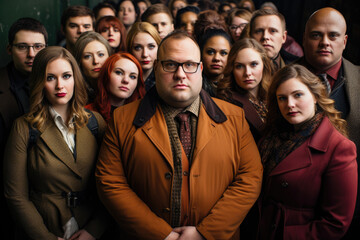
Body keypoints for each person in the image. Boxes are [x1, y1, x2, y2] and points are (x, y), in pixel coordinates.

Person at [95, 31, 263, 240]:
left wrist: (205, 232)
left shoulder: (235, 117)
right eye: (170, 64)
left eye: (189, 65)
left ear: (201, 69)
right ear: (156, 68)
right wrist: (162, 235)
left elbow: (250, 178)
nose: (180, 74)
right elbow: (110, 182)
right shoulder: (122, 120)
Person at [3, 46, 108, 240]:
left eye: (66, 76)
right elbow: (15, 195)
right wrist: (44, 237)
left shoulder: (95, 122)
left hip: (91, 228)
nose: (60, 85)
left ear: (75, 78)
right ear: (39, 83)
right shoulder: (24, 128)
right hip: (46, 227)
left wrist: (94, 230)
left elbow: (112, 183)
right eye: (50, 78)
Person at [258, 64, 357, 239]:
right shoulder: (271, 135)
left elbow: (335, 223)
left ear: (315, 96)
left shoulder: (339, 148)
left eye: (298, 95)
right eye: (282, 98)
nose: (290, 104)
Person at [298, 8, 360, 238]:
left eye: (333, 36)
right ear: (304, 39)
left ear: (344, 41)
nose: (325, 42)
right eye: (316, 35)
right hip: (297, 213)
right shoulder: (281, 78)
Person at [0, 17, 47, 240]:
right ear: (9, 49)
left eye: (38, 47)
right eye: (22, 47)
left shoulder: (59, 84)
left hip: (49, 192)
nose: (31, 54)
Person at [217, 38, 272, 142]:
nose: (247, 72)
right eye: (239, 66)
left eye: (254, 64)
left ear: (264, 65)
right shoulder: (226, 103)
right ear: (232, 69)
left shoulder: (273, 95)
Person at [86, 52, 146, 122]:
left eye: (132, 76)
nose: (126, 80)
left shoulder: (143, 114)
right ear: (106, 75)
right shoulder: (86, 114)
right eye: (119, 73)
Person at [73, 31, 113, 104]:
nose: (95, 61)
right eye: (87, 56)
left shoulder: (117, 87)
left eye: (101, 55)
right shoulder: (73, 93)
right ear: (79, 62)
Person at [126, 22, 161, 91]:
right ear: (130, 50)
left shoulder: (164, 80)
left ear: (159, 48)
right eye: (138, 48)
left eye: (151, 46)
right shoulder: (124, 79)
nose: (145, 54)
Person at [199, 28, 231, 97]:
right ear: (201, 53)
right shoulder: (195, 87)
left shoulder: (237, 87)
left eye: (223, 53)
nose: (216, 58)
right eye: (210, 52)